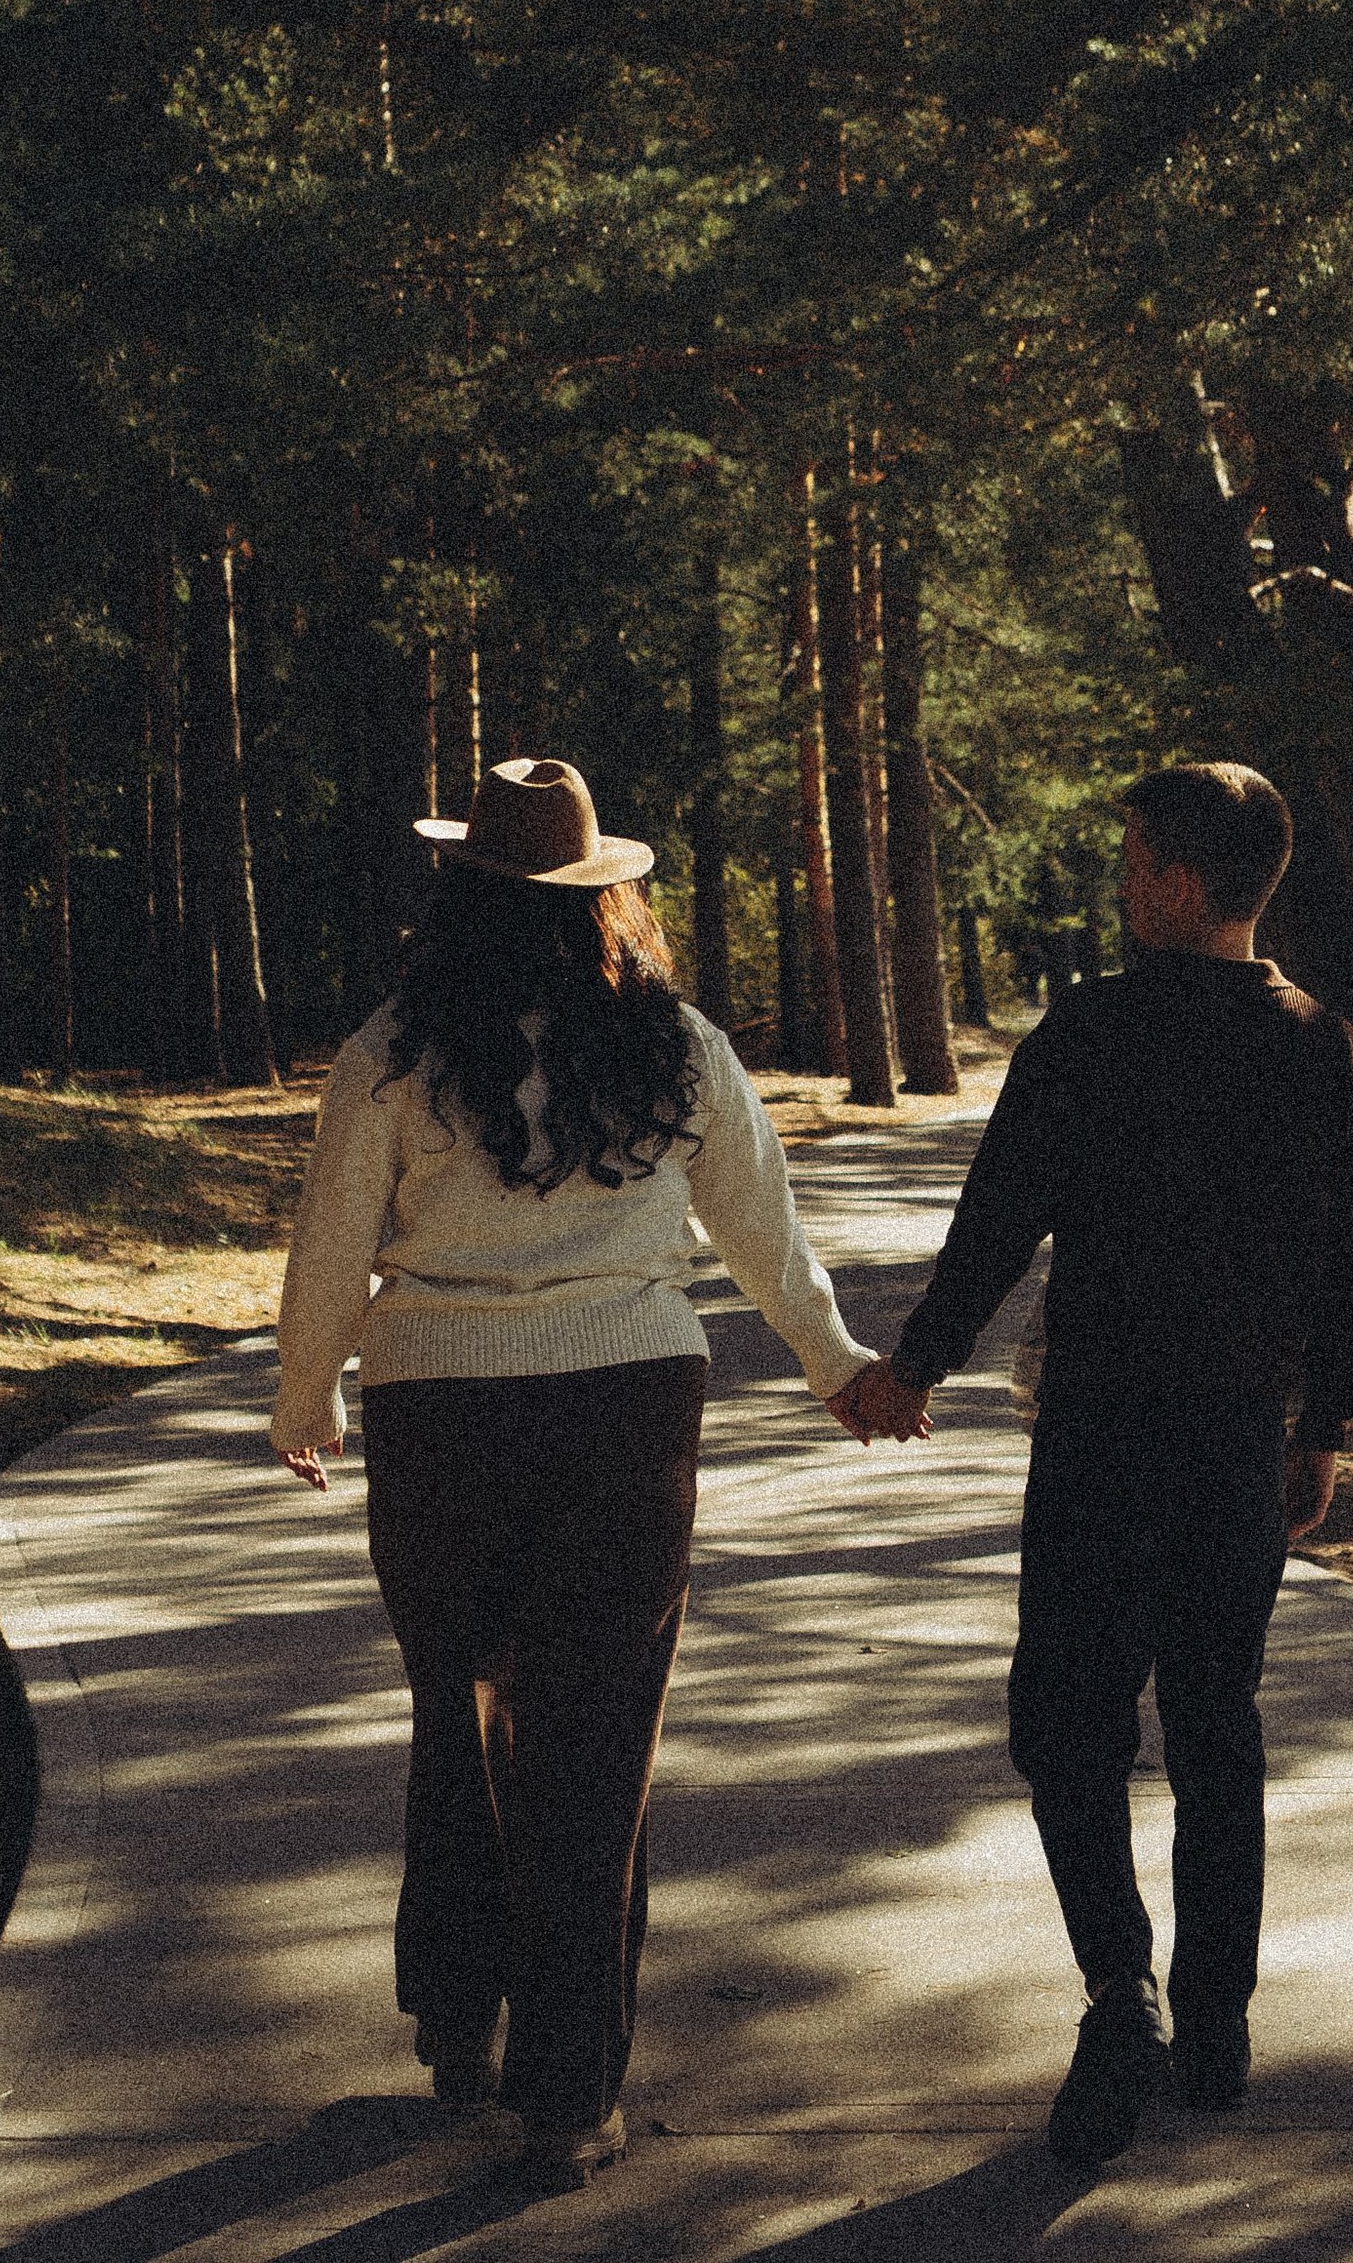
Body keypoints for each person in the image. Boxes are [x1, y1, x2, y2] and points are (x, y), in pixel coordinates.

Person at [271, 754, 880, 2193]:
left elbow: (330, 1250)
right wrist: (836, 1366)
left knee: (455, 1710)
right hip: (624, 1415)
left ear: (459, 893)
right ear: (603, 897)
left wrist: (308, 1400)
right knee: (592, 1750)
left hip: (439, 1421)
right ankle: (571, 2096)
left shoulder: (392, 1052)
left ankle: (456, 2008)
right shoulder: (674, 1047)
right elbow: (762, 1231)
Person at [841, 760, 1353, 2167]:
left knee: (1067, 1727)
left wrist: (914, 1370)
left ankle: (1119, 1993)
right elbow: (1351, 1272)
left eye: (1136, 855)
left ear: (1183, 884)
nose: (1122, 876)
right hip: (1233, 1444)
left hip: (1100, 1441)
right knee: (1216, 1723)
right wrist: (1322, 1428)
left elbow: (998, 1221)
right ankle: (1214, 2024)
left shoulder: (1085, 1036)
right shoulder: (1326, 1046)